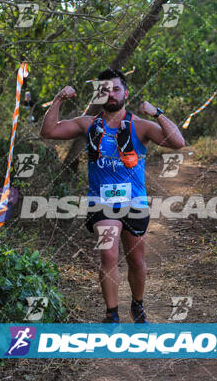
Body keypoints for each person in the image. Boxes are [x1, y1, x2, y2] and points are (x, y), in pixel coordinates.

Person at [40, 68, 185, 323]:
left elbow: (177, 142)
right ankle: (111, 314)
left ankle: (138, 306)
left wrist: (158, 113)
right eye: (104, 90)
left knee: (136, 260)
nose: (110, 94)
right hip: (101, 202)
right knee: (108, 254)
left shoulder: (140, 126)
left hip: (134, 202)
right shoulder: (89, 123)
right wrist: (58, 99)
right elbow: (48, 131)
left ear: (125, 93)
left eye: (116, 89)